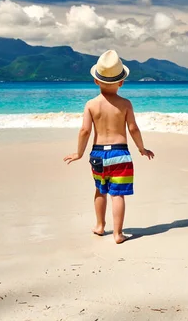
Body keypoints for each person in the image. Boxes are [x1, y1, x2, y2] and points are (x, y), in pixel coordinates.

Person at [64, 49, 154, 244]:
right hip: (120, 154)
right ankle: (118, 234)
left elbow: (84, 131)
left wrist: (79, 153)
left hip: (97, 154)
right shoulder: (125, 104)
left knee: (100, 190)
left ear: (96, 80)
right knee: (118, 195)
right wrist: (141, 148)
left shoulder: (91, 104)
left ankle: (99, 226)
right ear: (121, 82)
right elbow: (133, 129)